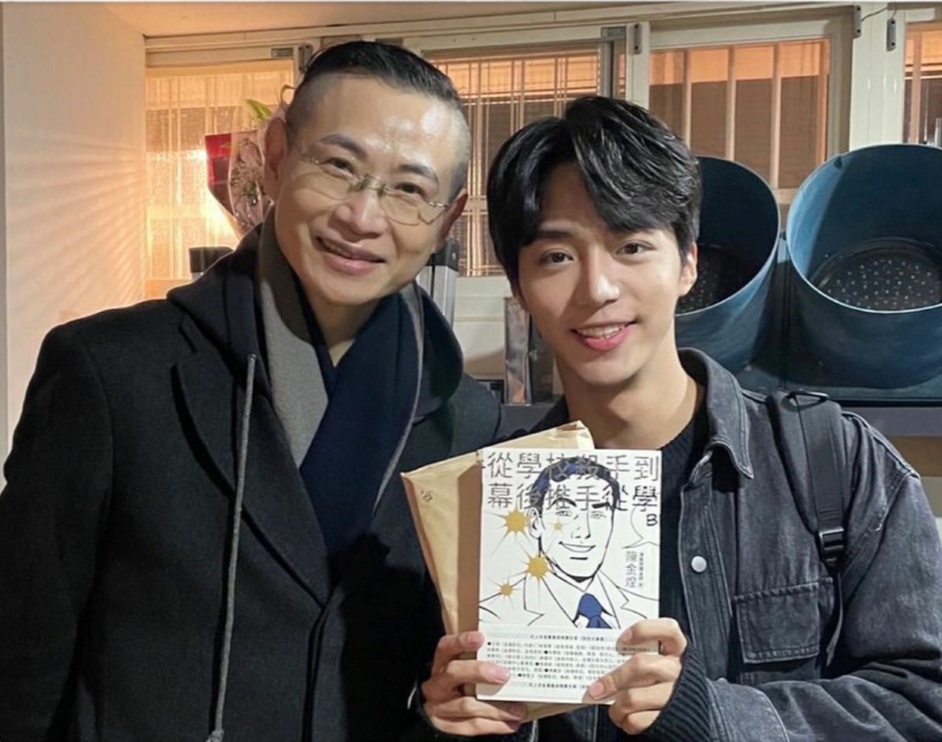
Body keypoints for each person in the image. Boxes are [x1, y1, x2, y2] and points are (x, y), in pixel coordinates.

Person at [0, 41, 502, 742]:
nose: (363, 216)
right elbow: (22, 659)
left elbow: (438, 676)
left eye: (409, 189)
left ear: (449, 219)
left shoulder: (468, 421)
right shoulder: (113, 373)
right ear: (275, 157)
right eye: (338, 166)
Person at [422, 96, 942, 741]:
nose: (598, 289)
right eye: (556, 256)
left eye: (631, 245)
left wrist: (711, 715)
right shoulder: (489, 501)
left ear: (687, 262)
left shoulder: (833, 461)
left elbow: (924, 702)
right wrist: (446, 720)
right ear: (518, 287)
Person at [479, 456, 654, 630]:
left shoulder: (645, 611)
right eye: (564, 512)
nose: (584, 532)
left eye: (598, 513)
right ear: (535, 522)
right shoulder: (492, 617)